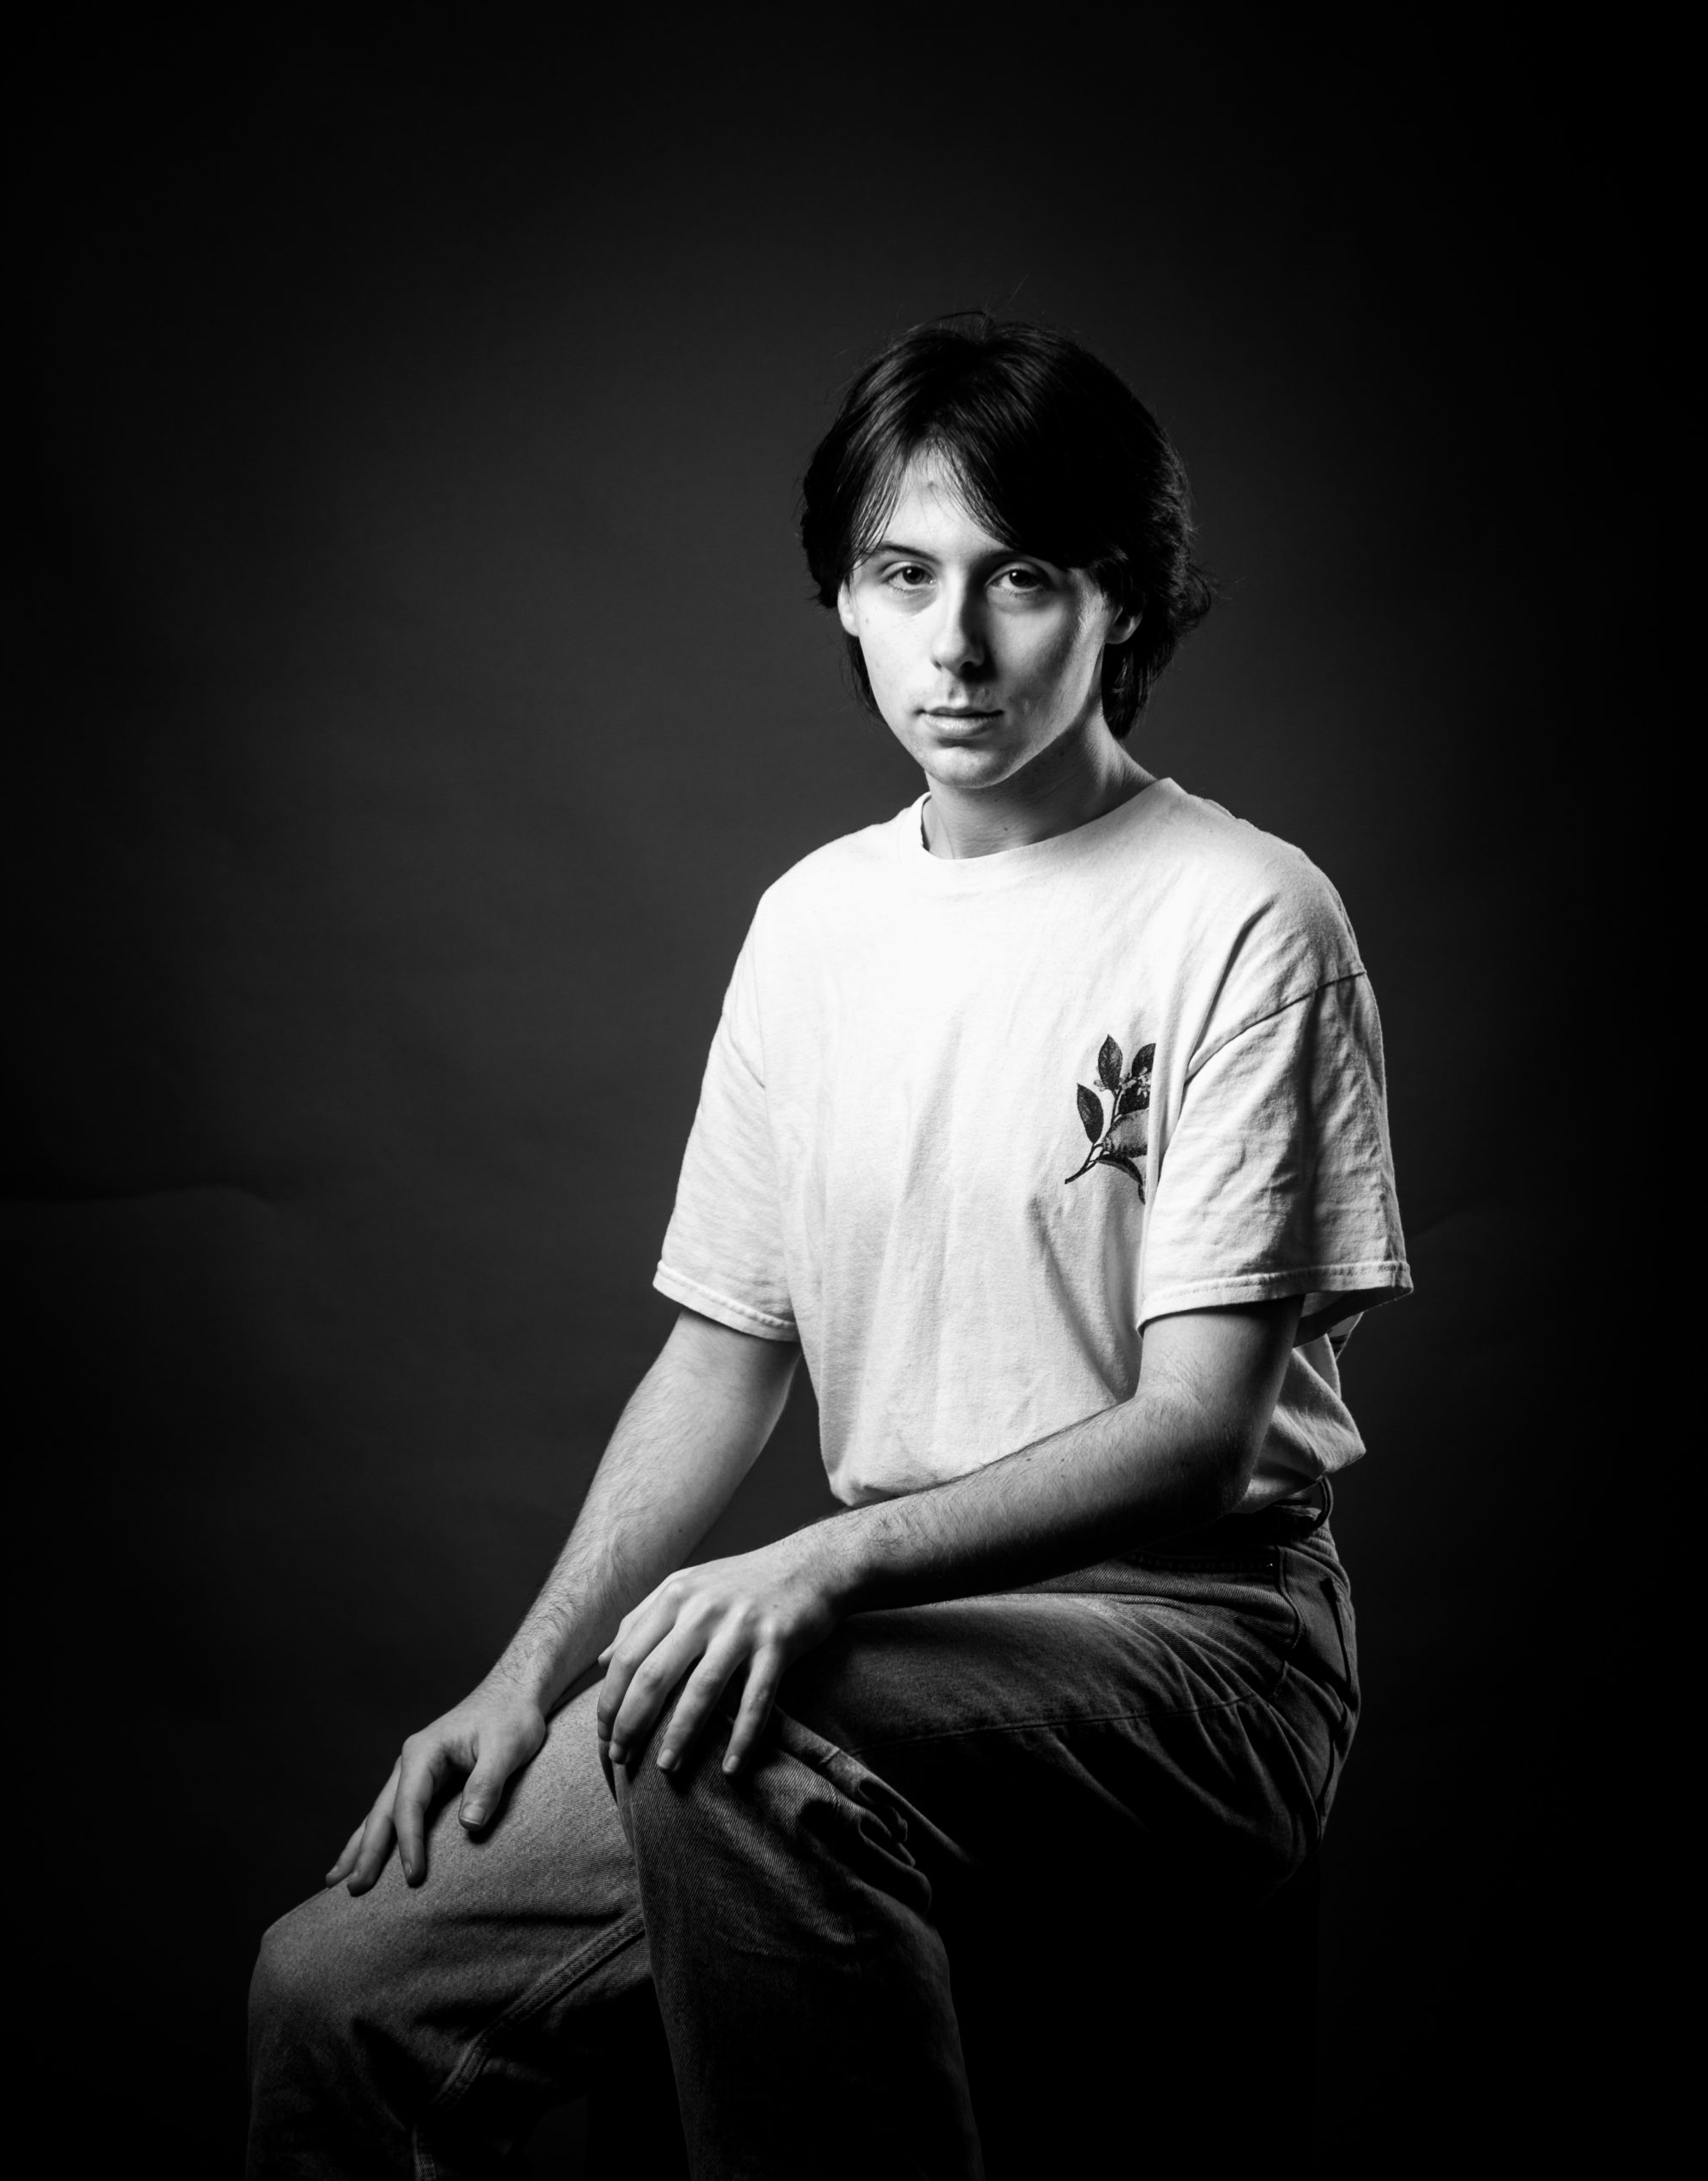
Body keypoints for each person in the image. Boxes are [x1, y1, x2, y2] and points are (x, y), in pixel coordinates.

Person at [247, 315, 1410, 2178]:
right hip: (890, 1642)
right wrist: (528, 1673)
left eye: (1021, 578)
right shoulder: (814, 924)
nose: (955, 645)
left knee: (744, 1730)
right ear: (846, 602)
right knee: (333, 1984)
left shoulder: (1246, 915)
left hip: (1200, 1647)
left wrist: (828, 1562)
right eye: (902, 575)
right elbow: (723, 1351)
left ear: (1123, 598)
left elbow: (1200, 1424)